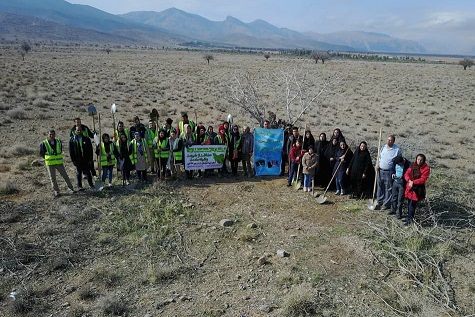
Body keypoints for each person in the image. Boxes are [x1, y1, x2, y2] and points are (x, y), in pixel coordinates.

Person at [40, 130, 75, 197]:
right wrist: (48, 158)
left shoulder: (58, 141)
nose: (51, 136)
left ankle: (71, 189)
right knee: (52, 178)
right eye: (50, 134)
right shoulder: (44, 143)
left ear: (55, 134)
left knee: (65, 176)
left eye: (53, 134)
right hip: (50, 163)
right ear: (48, 135)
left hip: (59, 162)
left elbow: (60, 150)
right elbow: (42, 153)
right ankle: (57, 191)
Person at [376, 134, 402, 210]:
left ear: (393, 141)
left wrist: (395, 172)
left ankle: (386, 204)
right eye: (388, 139)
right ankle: (379, 201)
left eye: (390, 140)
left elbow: (398, 161)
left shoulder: (397, 149)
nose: (389, 141)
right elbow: (379, 157)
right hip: (380, 170)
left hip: (389, 171)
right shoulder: (383, 147)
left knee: (388, 187)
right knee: (380, 186)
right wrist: (377, 164)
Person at [403, 154, 430, 225]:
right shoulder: (412, 165)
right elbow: (407, 173)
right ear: (416, 159)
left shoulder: (426, 168)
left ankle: (410, 220)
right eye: (418, 159)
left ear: (423, 160)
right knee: (409, 203)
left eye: (421, 160)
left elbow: (423, 179)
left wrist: (413, 182)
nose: (419, 161)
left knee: (412, 204)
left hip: (417, 189)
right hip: (410, 187)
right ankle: (408, 217)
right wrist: (409, 180)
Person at [69, 126, 95, 190]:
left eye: (80, 130)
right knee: (79, 173)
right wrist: (73, 160)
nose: (79, 131)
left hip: (86, 159)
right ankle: (79, 186)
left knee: (88, 172)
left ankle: (91, 184)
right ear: (75, 131)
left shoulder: (86, 139)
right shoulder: (72, 140)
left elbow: (90, 150)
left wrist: (90, 159)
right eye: (78, 130)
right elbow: (71, 151)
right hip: (78, 160)